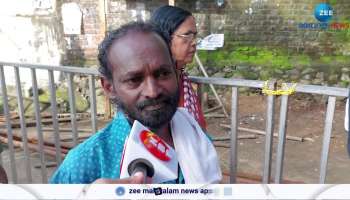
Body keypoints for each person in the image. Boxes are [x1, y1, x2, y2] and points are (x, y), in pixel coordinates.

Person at [50, 22, 221, 184]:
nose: (152, 91)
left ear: (175, 73)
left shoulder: (197, 137)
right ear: (109, 87)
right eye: (134, 80)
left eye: (162, 74)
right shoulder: (85, 164)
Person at [150, 5, 207, 129]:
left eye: (195, 36)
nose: (194, 42)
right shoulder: (153, 88)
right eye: (187, 35)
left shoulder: (180, 78)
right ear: (164, 38)